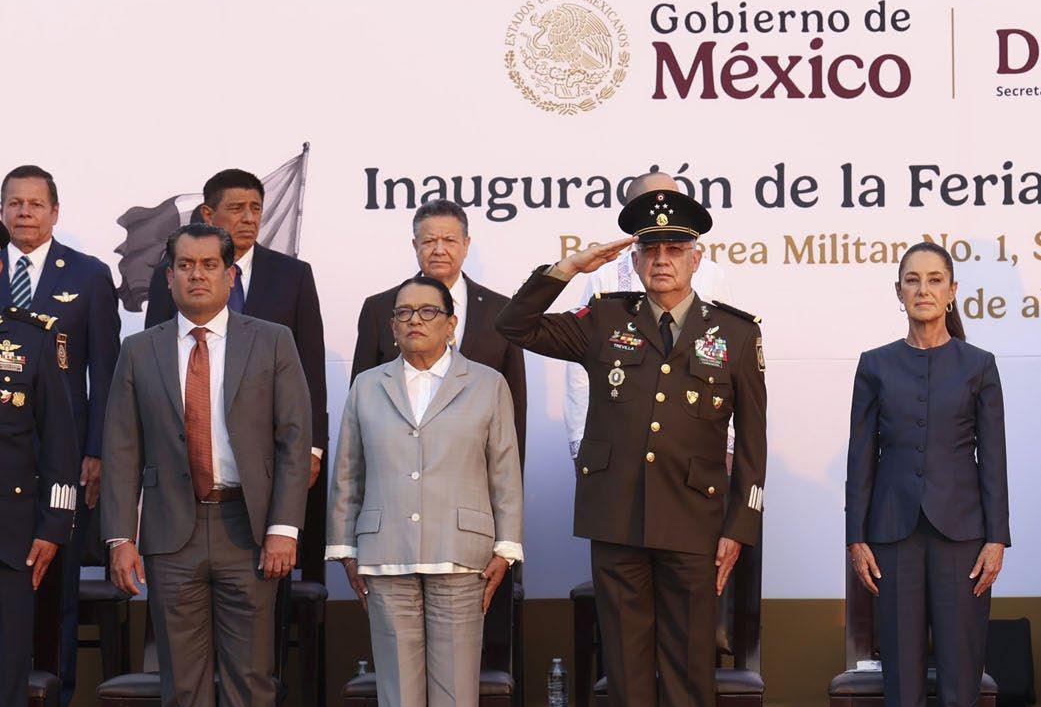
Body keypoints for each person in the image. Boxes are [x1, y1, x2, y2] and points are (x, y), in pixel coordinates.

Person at [498, 190, 767, 707]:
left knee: (688, 668)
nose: (662, 260)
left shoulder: (734, 333)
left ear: (697, 259)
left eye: (675, 249)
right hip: (617, 520)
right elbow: (516, 326)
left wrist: (739, 528)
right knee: (625, 667)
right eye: (651, 250)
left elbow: (754, 445)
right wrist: (570, 268)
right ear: (636, 260)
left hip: (695, 524)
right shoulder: (604, 317)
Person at [102, 223, 312, 707]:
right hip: (171, 533)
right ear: (168, 277)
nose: (197, 275)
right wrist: (120, 538)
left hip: (249, 528)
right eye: (186, 265)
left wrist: (284, 528)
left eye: (209, 265)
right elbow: (120, 450)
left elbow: (295, 441)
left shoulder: (272, 341)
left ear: (230, 274)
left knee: (251, 678)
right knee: (182, 682)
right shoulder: (139, 350)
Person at [326, 276, 522, 707]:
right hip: (384, 552)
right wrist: (345, 548)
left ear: (451, 323)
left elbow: (504, 470)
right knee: (398, 690)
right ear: (391, 326)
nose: (415, 320)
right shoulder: (368, 386)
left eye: (428, 311)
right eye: (404, 312)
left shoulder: (486, 384)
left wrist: (506, 547)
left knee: (455, 689)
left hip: (461, 552)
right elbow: (348, 472)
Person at [846, 241, 1009, 707]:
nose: (924, 290)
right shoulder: (875, 364)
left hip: (963, 535)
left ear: (952, 291)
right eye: (912, 280)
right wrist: (856, 537)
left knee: (961, 678)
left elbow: (994, 459)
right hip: (892, 534)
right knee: (903, 678)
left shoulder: (978, 364)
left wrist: (997, 538)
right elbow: (860, 457)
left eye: (935, 279)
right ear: (899, 292)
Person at [1, 165, 120, 707]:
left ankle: (56, 706)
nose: (25, 212)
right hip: (6, 456)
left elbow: (106, 371)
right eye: (14, 203)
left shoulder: (90, 276)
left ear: (55, 212)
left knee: (59, 582)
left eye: (35, 203)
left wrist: (95, 452)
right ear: (3, 211)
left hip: (62, 458)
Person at [146, 169, 328, 488]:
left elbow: (310, 366)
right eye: (236, 208)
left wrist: (312, 446)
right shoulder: (174, 275)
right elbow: (154, 361)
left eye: (255, 208)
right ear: (207, 214)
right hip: (189, 449)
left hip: (271, 446)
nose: (249, 218)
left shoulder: (293, 275)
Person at [566, 171, 734, 461]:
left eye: (672, 199)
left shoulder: (710, 274)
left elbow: (726, 364)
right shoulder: (606, 277)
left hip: (694, 439)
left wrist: (728, 444)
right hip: (622, 439)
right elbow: (580, 367)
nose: (663, 210)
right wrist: (580, 441)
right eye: (653, 203)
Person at [351, 199, 527, 462]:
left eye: (450, 240)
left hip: (474, 468)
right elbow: (361, 402)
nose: (439, 250)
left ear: (466, 244)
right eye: (430, 241)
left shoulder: (501, 311)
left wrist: (511, 476)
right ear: (415, 245)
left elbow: (514, 407)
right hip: (396, 464)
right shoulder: (380, 308)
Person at [0, 295, 78, 707]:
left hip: (10, 541)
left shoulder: (29, 338)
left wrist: (54, 526)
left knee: (5, 678)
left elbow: (60, 443)